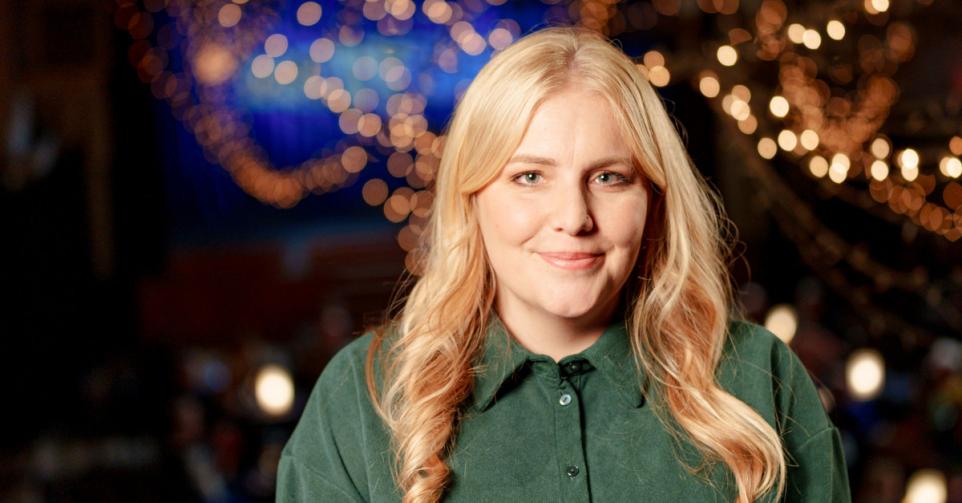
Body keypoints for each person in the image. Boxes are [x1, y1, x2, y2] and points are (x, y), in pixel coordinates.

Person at [276, 26, 851, 503]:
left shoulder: (757, 379)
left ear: (653, 199)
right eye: (530, 176)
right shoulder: (363, 398)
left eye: (609, 177)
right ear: (472, 198)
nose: (574, 217)